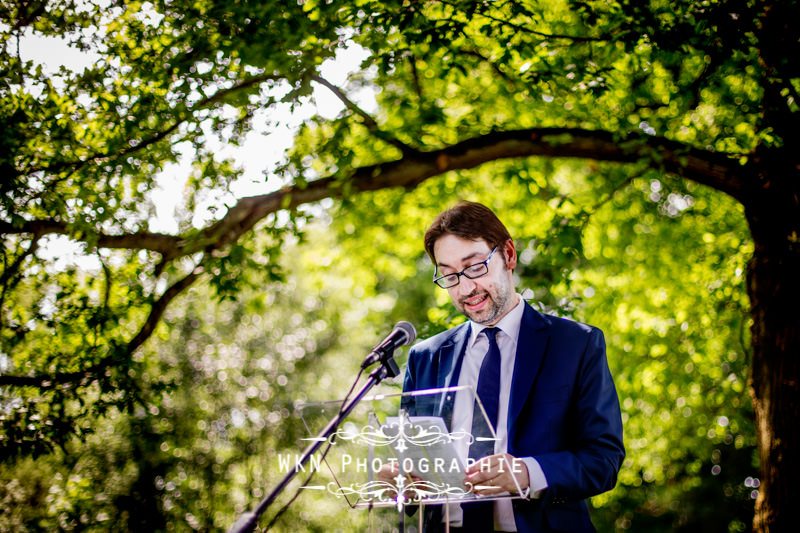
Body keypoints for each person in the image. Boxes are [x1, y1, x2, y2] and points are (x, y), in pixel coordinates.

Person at [401, 200, 625, 532]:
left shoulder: (577, 344)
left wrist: (527, 473)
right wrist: (399, 480)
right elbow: (411, 463)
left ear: (508, 255)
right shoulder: (425, 357)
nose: (465, 289)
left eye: (475, 267)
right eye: (449, 276)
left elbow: (602, 460)